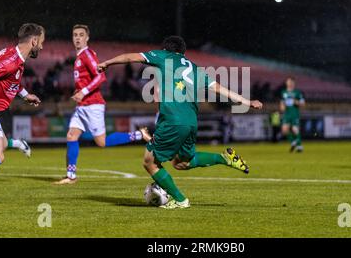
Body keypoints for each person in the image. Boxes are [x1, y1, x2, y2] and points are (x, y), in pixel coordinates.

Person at [98, 36, 263, 209]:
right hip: (191, 121)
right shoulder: (195, 68)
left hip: (173, 120)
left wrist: (107, 63)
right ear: (183, 52)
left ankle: (180, 200)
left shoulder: (163, 56)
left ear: (166, 49)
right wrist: (247, 101)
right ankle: (225, 158)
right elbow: (218, 88)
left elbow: (131, 57)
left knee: (150, 162)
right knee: (182, 163)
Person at [54, 25, 150, 185]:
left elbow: (101, 77)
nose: (77, 38)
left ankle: (139, 135)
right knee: (71, 136)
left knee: (102, 142)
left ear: (87, 38)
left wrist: (83, 92)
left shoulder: (87, 55)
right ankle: (71, 176)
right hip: (82, 106)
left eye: (81, 35)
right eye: (75, 35)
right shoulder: (78, 57)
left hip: (92, 105)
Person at [0, 23, 45, 211]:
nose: (42, 47)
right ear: (34, 40)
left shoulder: (14, 56)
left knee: (1, 145)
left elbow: (11, 81)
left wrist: (25, 95)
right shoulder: (12, 60)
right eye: (41, 42)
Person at [280, 77, 305, 152]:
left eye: (291, 82)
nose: (290, 83)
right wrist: (282, 107)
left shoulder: (297, 92)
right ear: (286, 83)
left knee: (295, 129)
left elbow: (303, 104)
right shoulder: (283, 92)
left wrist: (296, 102)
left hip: (294, 113)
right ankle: (293, 142)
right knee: (284, 130)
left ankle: (299, 146)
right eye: (288, 82)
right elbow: (282, 103)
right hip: (287, 114)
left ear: (294, 83)